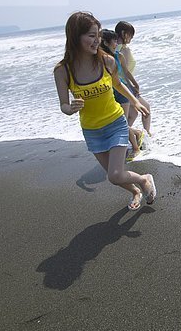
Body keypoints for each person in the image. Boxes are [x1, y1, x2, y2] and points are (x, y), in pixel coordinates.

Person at [53, 12, 156, 211]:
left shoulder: (106, 61)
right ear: (75, 37)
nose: (97, 41)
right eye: (91, 36)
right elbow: (63, 106)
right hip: (92, 130)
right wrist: (70, 108)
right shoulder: (63, 70)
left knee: (115, 174)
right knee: (114, 177)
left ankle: (144, 181)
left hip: (115, 123)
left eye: (98, 35)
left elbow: (117, 83)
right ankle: (135, 191)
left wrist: (135, 101)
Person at [99, 29, 144, 160]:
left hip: (122, 91)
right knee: (119, 122)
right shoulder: (101, 59)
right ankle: (137, 133)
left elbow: (126, 72)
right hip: (109, 93)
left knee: (123, 122)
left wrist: (135, 84)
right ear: (106, 43)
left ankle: (135, 148)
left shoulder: (119, 56)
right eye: (114, 40)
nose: (116, 43)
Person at [114, 21, 152, 136]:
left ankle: (124, 137)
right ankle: (147, 135)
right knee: (146, 108)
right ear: (124, 33)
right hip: (125, 86)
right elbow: (125, 72)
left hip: (117, 86)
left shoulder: (114, 48)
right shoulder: (123, 50)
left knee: (132, 114)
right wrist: (134, 86)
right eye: (130, 35)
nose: (131, 38)